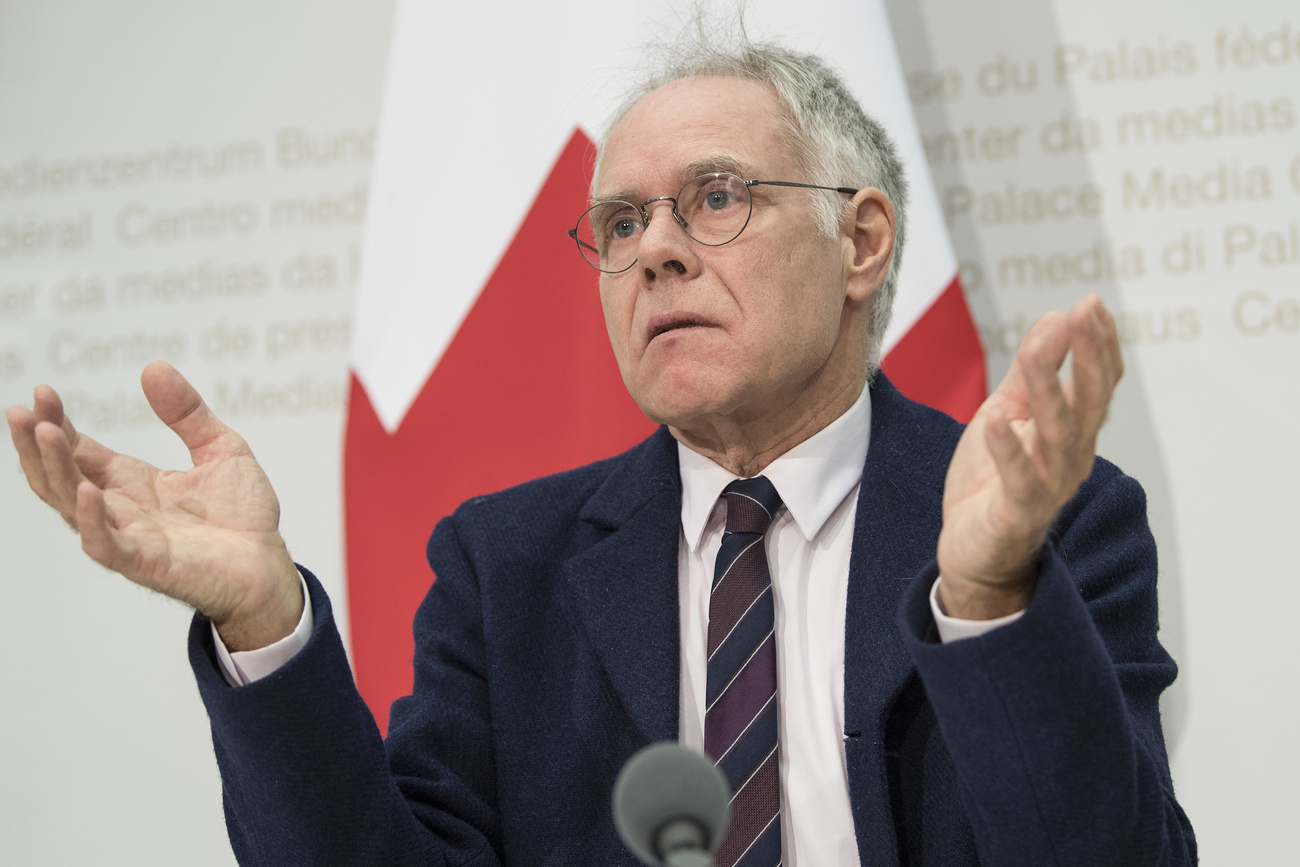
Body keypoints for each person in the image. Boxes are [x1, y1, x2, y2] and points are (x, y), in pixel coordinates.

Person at [7, 34, 1194, 867]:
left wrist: (988, 597)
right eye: (621, 222)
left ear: (862, 241)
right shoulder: (504, 565)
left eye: (715, 197)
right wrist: (269, 623)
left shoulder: (1048, 523)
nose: (655, 253)